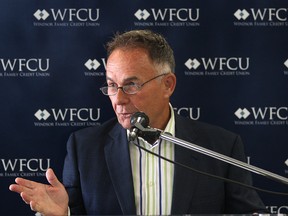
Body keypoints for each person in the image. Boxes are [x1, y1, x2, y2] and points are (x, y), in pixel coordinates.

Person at [9, 29, 268, 215]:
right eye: (112, 85)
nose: (118, 99)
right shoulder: (84, 147)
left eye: (131, 85)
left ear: (168, 84)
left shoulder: (220, 147)